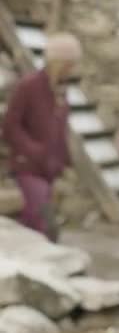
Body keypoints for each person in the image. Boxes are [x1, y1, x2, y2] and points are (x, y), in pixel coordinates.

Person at [2, 33, 82, 242]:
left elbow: (59, 130)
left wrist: (66, 162)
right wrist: (33, 150)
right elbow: (10, 125)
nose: (71, 69)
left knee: (33, 221)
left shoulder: (61, 91)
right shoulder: (29, 86)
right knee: (44, 224)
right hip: (28, 167)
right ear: (58, 62)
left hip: (49, 169)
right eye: (68, 64)